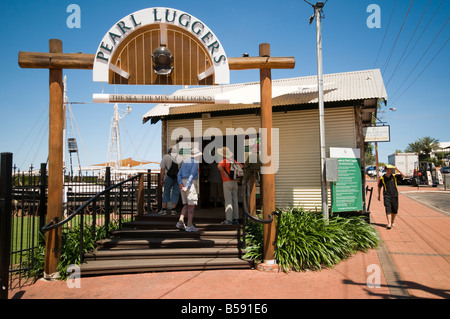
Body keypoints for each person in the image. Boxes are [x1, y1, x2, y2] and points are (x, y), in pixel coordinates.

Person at [176, 148, 202, 232]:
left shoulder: (185, 162)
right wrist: (187, 186)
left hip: (183, 183)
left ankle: (180, 221)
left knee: (186, 205)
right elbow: (191, 175)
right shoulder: (195, 162)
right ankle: (189, 225)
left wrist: (180, 184)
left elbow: (179, 174)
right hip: (190, 184)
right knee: (191, 206)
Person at [217, 146, 243, 225]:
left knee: (228, 201)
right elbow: (241, 166)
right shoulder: (233, 160)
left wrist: (224, 173)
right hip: (234, 182)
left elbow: (219, 166)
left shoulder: (224, 160)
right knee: (235, 200)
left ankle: (229, 219)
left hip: (227, 182)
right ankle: (236, 219)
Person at [377, 164, 404, 229]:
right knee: (388, 209)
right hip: (387, 195)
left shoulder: (394, 176)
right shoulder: (382, 178)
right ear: (386, 170)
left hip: (395, 195)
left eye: (392, 169)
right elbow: (379, 187)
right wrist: (379, 195)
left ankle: (392, 222)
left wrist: (397, 169)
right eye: (390, 169)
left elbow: (403, 175)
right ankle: (389, 223)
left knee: (395, 210)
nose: (391, 170)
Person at [159, 147, 181, 216]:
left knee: (166, 191)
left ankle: (164, 210)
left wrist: (161, 179)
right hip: (177, 177)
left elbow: (162, 170)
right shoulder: (180, 157)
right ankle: (173, 210)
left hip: (168, 177)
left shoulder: (166, 157)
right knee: (176, 192)